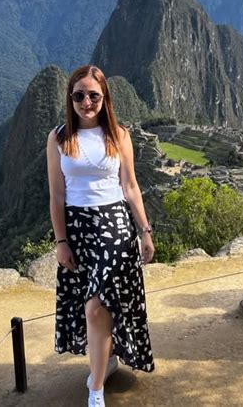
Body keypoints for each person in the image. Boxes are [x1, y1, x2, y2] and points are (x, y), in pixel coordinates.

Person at [46, 65, 155, 407]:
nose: (86, 102)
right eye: (79, 95)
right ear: (70, 98)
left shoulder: (118, 135)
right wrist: (61, 242)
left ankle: (95, 389)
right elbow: (57, 196)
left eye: (93, 95)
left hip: (114, 227)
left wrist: (145, 231)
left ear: (105, 97)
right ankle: (105, 362)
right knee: (92, 307)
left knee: (96, 306)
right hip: (77, 228)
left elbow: (130, 186)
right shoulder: (59, 138)